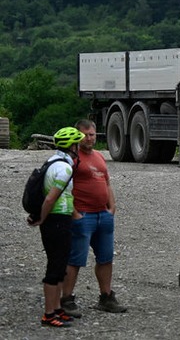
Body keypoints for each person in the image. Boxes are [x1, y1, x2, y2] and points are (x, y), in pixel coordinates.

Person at [61, 119, 127, 317]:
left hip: (103, 215)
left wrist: (112, 207)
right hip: (84, 215)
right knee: (75, 260)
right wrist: (75, 214)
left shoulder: (99, 156)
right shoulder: (72, 158)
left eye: (93, 134)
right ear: (77, 135)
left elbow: (106, 183)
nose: (90, 138)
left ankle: (106, 297)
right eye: (86, 134)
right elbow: (64, 186)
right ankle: (66, 299)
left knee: (106, 258)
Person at [30, 126, 83, 328]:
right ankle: (49, 314)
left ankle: (57, 309)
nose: (78, 146)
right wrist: (41, 219)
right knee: (55, 267)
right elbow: (51, 199)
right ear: (72, 146)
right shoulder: (64, 168)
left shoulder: (53, 161)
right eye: (76, 143)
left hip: (59, 219)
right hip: (57, 220)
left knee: (60, 266)